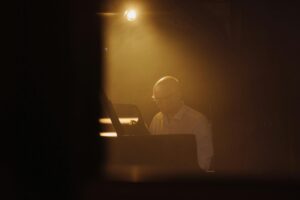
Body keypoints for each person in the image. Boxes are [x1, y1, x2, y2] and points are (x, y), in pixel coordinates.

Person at [149, 76, 214, 171]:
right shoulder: (156, 120)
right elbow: (150, 154)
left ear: (178, 95)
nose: (159, 104)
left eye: (164, 98)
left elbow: (204, 161)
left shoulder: (197, 121)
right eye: (157, 100)